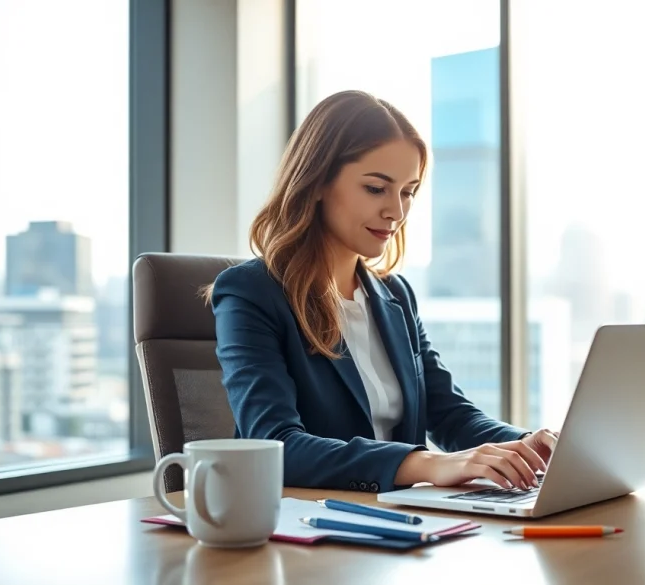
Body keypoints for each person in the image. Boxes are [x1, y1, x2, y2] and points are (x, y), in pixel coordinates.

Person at [205, 90, 558, 494]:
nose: (397, 211)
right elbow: (275, 444)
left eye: (408, 191)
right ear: (317, 181)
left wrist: (527, 447)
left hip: (401, 520)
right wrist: (425, 464)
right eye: (376, 189)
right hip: (311, 524)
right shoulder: (251, 293)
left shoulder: (393, 295)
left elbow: (448, 412)